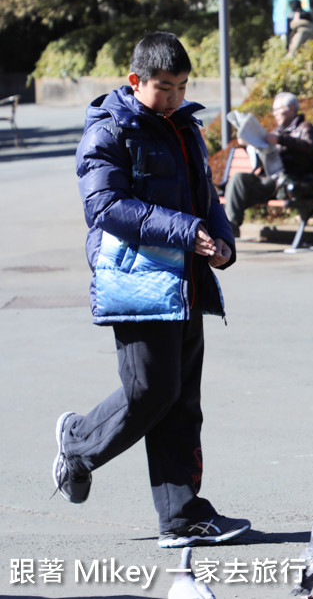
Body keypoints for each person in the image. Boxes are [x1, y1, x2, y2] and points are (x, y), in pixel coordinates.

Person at [56, 31, 250, 548]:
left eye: (183, 86)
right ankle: (77, 443)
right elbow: (104, 207)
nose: (175, 97)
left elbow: (207, 196)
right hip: (135, 281)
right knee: (151, 391)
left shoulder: (185, 126)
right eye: (164, 87)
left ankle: (183, 517)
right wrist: (185, 231)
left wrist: (224, 243)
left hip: (186, 280)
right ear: (135, 79)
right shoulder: (108, 129)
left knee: (182, 400)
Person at [224, 91, 313, 236]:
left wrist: (281, 140)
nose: (274, 114)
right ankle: (231, 224)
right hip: (268, 178)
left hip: (287, 180)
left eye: (277, 110)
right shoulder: (277, 130)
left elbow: (309, 145)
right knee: (239, 178)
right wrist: (246, 143)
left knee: (242, 189)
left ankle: (229, 225)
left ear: (291, 109)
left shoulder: (305, 127)